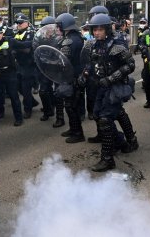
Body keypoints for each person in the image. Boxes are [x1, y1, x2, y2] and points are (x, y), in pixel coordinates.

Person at [85, 14, 136, 171]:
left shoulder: (118, 45)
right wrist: (85, 75)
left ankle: (107, 159)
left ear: (107, 29)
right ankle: (129, 140)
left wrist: (112, 78)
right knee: (108, 113)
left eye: (100, 29)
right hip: (101, 86)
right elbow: (92, 64)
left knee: (105, 120)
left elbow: (130, 65)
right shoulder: (93, 44)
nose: (96, 33)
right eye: (94, 29)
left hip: (115, 86)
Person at [54, 13, 85, 143]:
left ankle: (78, 133)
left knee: (72, 106)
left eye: (58, 26)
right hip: (77, 76)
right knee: (71, 105)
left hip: (72, 77)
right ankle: (73, 129)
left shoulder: (69, 41)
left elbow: (64, 60)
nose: (56, 28)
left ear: (64, 26)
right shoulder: (78, 37)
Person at [0, 28, 24, 126]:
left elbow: (23, 45)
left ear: (2, 34)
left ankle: (19, 118)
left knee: (13, 96)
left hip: (9, 72)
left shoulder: (10, 41)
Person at [33, 17, 65, 128]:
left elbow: (62, 54)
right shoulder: (39, 37)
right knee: (43, 91)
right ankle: (48, 110)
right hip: (44, 67)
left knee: (58, 92)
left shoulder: (60, 38)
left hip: (56, 68)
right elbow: (35, 50)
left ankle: (60, 117)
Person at [10, 14, 38, 119]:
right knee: (18, 87)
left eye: (21, 22)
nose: (18, 25)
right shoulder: (16, 34)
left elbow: (27, 50)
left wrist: (15, 48)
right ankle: (33, 102)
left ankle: (28, 109)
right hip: (19, 65)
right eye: (17, 23)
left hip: (29, 65)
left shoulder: (31, 33)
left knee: (26, 89)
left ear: (27, 23)